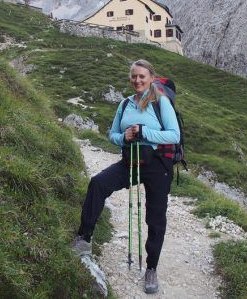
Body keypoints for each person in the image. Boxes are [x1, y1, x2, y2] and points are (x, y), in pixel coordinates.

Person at [72, 59, 181, 294]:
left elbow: (174, 134)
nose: (137, 80)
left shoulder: (161, 103)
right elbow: (112, 134)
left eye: (142, 76)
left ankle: (151, 269)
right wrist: (125, 138)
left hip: (158, 164)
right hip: (130, 160)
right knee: (98, 183)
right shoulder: (124, 104)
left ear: (151, 77)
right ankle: (84, 238)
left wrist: (144, 132)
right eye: (134, 76)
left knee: (155, 216)